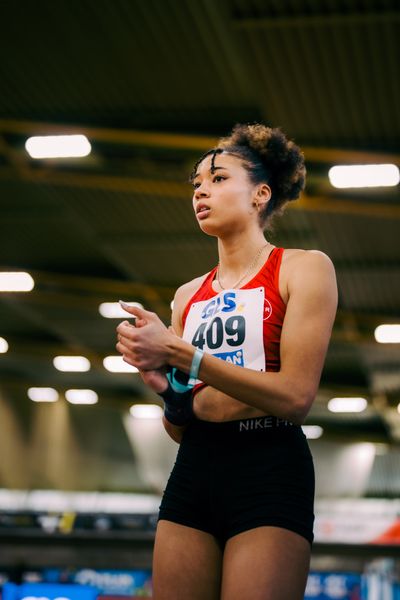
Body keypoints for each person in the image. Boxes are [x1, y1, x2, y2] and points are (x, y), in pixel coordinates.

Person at [116, 123, 338, 600]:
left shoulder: (304, 268)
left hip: (270, 466)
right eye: (196, 183)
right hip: (196, 466)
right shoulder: (186, 296)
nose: (201, 190)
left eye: (218, 179)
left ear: (261, 193)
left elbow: (296, 399)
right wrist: (164, 385)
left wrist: (179, 353)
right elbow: (180, 424)